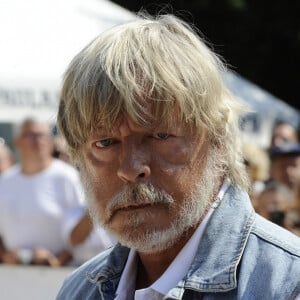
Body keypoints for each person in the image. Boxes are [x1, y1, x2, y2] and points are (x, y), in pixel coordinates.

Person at [56, 14, 300, 299]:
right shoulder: (80, 290)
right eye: (105, 142)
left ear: (218, 140)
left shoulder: (287, 285)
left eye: (160, 135)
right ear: (77, 157)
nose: (131, 168)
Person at [0, 118, 84, 266]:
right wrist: (6, 256)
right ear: (18, 141)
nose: (38, 141)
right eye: (31, 135)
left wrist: (57, 261)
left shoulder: (67, 177)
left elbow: (84, 227)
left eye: (43, 136)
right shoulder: (5, 181)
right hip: (13, 274)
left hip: (61, 272)